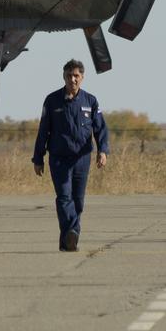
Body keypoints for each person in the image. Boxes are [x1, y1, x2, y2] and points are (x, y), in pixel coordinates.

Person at [32, 59, 109, 252]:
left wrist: (103, 150)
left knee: (78, 201)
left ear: (82, 77)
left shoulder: (90, 101)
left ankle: (68, 241)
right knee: (64, 198)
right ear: (64, 77)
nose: (72, 79)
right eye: (69, 76)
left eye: (76, 76)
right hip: (59, 158)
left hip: (82, 159)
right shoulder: (52, 100)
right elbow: (43, 131)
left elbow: (100, 128)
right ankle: (72, 233)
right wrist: (38, 158)